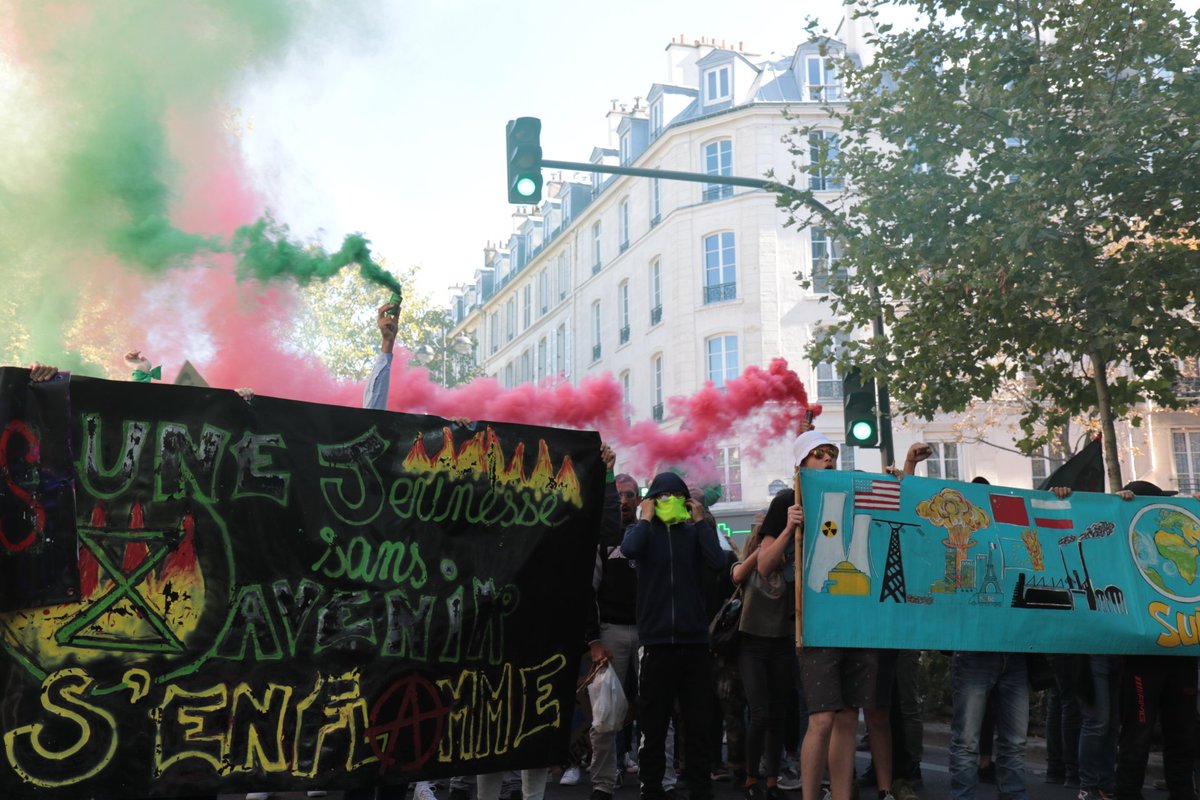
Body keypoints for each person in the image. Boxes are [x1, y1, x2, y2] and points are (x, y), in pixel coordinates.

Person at [782, 429, 894, 800]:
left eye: (832, 453)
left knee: (848, 716)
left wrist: (904, 470)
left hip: (856, 625)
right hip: (817, 627)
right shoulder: (789, 501)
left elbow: (892, 511)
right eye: (818, 454)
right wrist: (788, 527)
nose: (828, 459)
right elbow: (761, 565)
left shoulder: (854, 496)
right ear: (801, 463)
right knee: (823, 718)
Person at [621, 471, 725, 800]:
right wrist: (646, 519)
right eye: (661, 497)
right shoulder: (646, 532)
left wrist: (699, 522)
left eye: (674, 497)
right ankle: (651, 789)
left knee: (698, 725)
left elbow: (717, 562)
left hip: (694, 644)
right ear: (652, 501)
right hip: (656, 643)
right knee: (653, 727)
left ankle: (700, 790)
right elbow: (629, 549)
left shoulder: (693, 532)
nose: (668, 502)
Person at [1114, 480, 1199, 800]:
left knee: (1183, 736)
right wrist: (1115, 507)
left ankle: (1183, 793)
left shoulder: (1182, 543)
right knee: (1137, 735)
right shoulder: (1124, 542)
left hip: (1183, 651)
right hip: (1142, 658)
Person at [585, 468, 643, 800]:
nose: (622, 501)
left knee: (652, 709)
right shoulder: (603, 539)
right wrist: (594, 639)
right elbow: (587, 590)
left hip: (648, 633)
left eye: (629, 495)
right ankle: (603, 784)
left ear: (638, 500)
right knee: (605, 713)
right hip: (611, 632)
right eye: (617, 495)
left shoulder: (647, 534)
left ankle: (655, 779)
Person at [734, 503, 799, 800]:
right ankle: (751, 777)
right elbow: (736, 576)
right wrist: (762, 549)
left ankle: (772, 780)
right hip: (752, 646)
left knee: (777, 715)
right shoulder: (752, 565)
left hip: (781, 644)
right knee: (759, 714)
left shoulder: (788, 568)